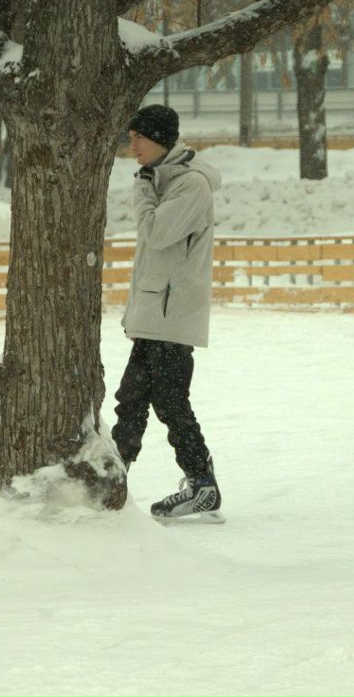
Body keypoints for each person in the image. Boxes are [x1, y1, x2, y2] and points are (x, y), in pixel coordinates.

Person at [111, 104, 224, 520]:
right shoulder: (160, 179)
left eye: (139, 136)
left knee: (170, 402)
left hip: (172, 316)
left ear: (160, 139)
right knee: (133, 398)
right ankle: (114, 479)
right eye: (131, 135)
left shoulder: (190, 186)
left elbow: (157, 234)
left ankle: (201, 484)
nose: (132, 143)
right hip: (154, 311)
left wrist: (141, 189)